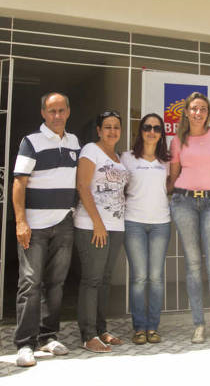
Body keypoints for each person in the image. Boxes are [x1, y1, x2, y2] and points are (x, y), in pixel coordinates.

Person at [12, 93, 79, 367]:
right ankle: (25, 344)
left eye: (61, 110)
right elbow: (19, 182)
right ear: (43, 113)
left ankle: (48, 336)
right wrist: (20, 221)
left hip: (64, 222)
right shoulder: (31, 142)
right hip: (35, 225)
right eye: (52, 111)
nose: (57, 115)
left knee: (56, 283)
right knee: (30, 283)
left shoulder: (74, 142)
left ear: (68, 111)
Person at [167, 92, 210, 343]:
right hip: (184, 202)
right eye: (193, 108)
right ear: (186, 112)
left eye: (202, 109)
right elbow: (173, 175)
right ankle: (199, 324)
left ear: (208, 113)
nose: (198, 113)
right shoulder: (177, 140)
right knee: (192, 265)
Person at [75, 110, 129, 353]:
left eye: (116, 127)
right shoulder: (90, 150)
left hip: (116, 226)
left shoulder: (118, 157)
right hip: (92, 226)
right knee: (92, 279)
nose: (112, 131)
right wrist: (97, 222)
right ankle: (88, 335)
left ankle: (100, 329)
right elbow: (82, 185)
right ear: (98, 130)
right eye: (107, 126)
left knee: (105, 280)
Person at [122, 113, 171, 345]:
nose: (152, 132)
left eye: (157, 128)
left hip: (161, 223)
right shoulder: (127, 158)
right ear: (140, 131)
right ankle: (139, 327)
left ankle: (153, 327)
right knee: (140, 277)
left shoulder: (166, 160)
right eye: (147, 127)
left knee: (156, 278)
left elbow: (171, 186)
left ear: (162, 134)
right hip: (134, 222)